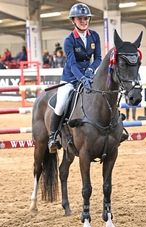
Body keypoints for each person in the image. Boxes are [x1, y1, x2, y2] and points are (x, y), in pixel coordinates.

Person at [48, 3, 102, 153]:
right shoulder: (69, 40)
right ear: (73, 20)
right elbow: (72, 64)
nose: (83, 21)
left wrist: (90, 71)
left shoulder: (95, 36)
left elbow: (98, 58)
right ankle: (53, 137)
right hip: (71, 78)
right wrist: (81, 78)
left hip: (90, 76)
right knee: (61, 103)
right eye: (80, 19)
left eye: (86, 18)